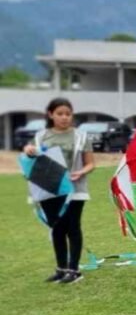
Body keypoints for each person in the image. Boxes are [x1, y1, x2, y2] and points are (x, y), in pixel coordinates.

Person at [23, 98, 95, 284]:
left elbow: (90, 163)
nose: (64, 118)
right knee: (57, 228)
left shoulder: (81, 136)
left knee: (73, 228)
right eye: (60, 114)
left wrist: (81, 172)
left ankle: (74, 270)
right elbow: (31, 157)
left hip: (74, 190)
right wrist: (29, 150)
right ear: (50, 115)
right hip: (49, 190)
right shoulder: (40, 136)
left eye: (68, 114)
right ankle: (61, 268)